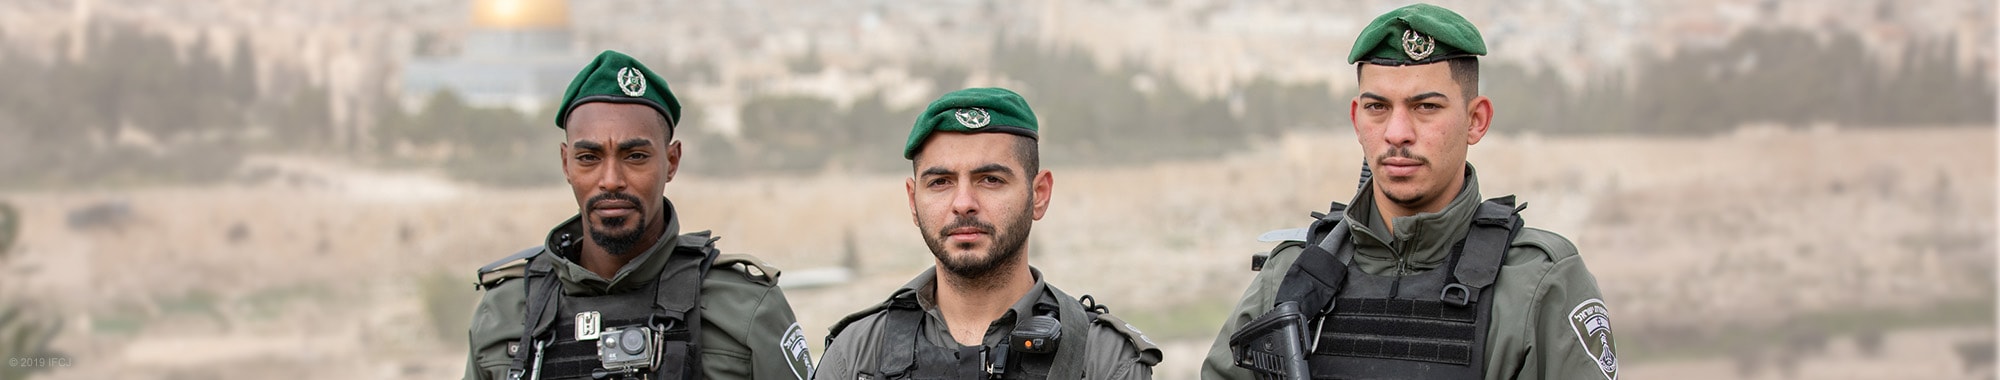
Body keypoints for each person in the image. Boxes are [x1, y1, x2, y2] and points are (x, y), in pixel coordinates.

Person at [1200, 4, 1619, 380]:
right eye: (1377, 107)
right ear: (1356, 119)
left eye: (1426, 107)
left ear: (1476, 120)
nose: (1397, 133)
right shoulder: (1293, 277)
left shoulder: (1538, 284)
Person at [463, 50, 815, 380]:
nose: (611, 180)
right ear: (565, 163)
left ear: (672, 161)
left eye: (635, 157)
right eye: (589, 158)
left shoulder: (744, 310)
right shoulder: (506, 311)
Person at [815, 88, 1162, 379]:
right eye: (940, 183)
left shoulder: (1103, 358)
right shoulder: (857, 355)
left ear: (1038, 194)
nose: (963, 203)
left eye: (991, 180)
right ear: (913, 200)